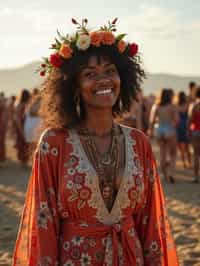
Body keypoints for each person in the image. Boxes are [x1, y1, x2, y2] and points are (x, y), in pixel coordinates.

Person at [13, 18, 178, 265]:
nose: (103, 80)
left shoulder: (138, 142)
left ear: (122, 78)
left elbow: (150, 222)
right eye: (90, 74)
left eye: (110, 71)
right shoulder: (54, 143)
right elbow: (43, 220)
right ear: (74, 87)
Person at [149, 89, 178, 183]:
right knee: (173, 154)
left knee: (162, 153)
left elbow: (152, 120)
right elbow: (176, 120)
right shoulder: (172, 106)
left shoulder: (156, 106)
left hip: (159, 129)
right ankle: (172, 174)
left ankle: (164, 175)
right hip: (169, 129)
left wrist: (151, 131)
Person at [14, 89, 30, 166]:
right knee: (22, 143)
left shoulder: (22, 104)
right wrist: (20, 129)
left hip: (23, 126)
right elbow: (17, 118)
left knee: (24, 143)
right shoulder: (21, 105)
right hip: (21, 126)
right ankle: (22, 161)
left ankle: (24, 160)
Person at [188, 86, 200, 183]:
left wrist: (188, 131)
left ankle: (196, 177)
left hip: (196, 131)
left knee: (196, 154)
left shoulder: (194, 105)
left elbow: (190, 120)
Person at [176, 91, 191, 168]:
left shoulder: (176, 106)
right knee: (187, 146)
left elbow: (176, 119)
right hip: (186, 126)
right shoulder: (187, 105)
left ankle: (184, 163)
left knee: (181, 147)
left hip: (179, 127)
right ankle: (190, 163)